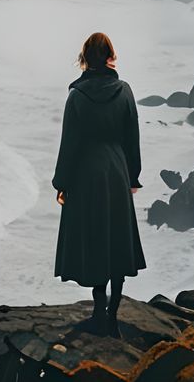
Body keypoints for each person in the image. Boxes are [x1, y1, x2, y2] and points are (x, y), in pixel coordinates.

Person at [52, 30, 146, 335]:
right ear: (110, 57)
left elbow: (69, 144)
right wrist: (133, 176)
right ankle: (113, 317)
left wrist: (61, 182)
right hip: (117, 170)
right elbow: (132, 138)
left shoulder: (77, 96)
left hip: (86, 173)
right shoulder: (125, 91)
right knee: (117, 240)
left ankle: (98, 314)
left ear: (84, 59)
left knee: (96, 241)